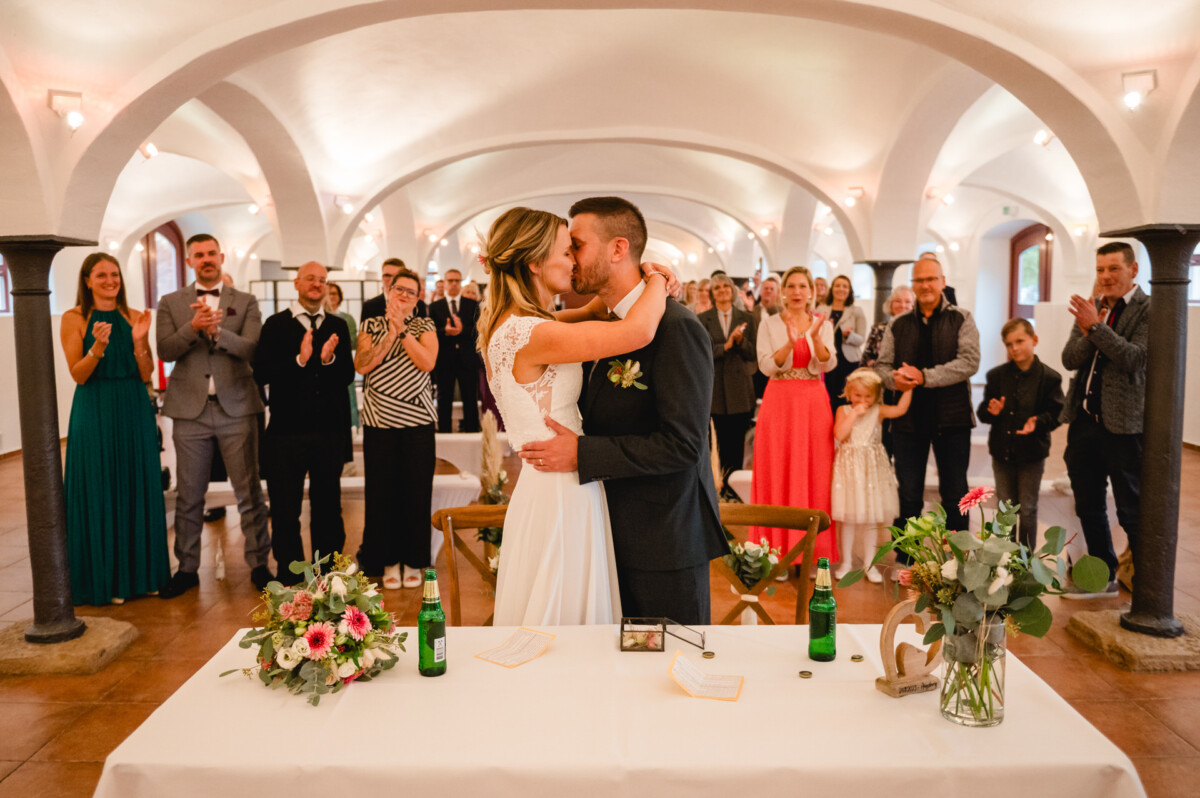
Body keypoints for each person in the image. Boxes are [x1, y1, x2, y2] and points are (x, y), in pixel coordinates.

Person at [520, 197, 728, 625]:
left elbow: (684, 445)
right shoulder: (604, 323)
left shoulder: (675, 327)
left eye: (576, 245)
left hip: (663, 539)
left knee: (670, 670)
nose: (569, 258)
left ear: (618, 249)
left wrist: (583, 454)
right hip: (605, 530)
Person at [478, 206, 671, 625]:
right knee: (563, 615)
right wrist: (658, 277)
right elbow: (637, 332)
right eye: (567, 252)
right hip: (560, 488)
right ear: (534, 262)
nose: (574, 262)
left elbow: (593, 314)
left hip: (551, 482)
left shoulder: (521, 324)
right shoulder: (532, 334)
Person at [157, 233, 272, 596]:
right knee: (190, 494)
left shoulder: (246, 301)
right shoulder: (171, 302)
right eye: (198, 255)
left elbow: (252, 348)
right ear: (190, 261)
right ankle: (187, 568)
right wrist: (193, 328)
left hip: (236, 406)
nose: (206, 259)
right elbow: (164, 349)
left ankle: (259, 564)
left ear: (221, 257)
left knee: (249, 491)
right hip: (189, 411)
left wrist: (217, 331)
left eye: (211, 253)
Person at [60, 253, 169, 605]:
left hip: (133, 406)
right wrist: (98, 347)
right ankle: (104, 581)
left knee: (136, 484)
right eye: (101, 275)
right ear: (87, 280)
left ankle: (142, 577)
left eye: (115, 274)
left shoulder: (135, 316)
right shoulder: (73, 318)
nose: (110, 280)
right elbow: (78, 374)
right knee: (99, 485)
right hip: (95, 408)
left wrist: (139, 342)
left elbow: (147, 372)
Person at [874, 257, 980, 566]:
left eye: (930, 279)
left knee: (955, 492)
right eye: (919, 281)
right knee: (909, 494)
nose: (925, 286)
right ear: (913, 284)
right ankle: (907, 559)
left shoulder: (962, 318)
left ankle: (957, 559)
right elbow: (881, 366)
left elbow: (969, 362)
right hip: (908, 420)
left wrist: (924, 376)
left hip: (953, 418)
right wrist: (892, 378)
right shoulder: (899, 323)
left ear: (942, 281)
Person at [256, 262, 355, 579]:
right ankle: (290, 576)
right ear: (296, 283)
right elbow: (261, 372)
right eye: (311, 279)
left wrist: (328, 360)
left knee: (328, 508)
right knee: (285, 510)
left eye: (323, 280)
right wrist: (300, 359)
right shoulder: (275, 325)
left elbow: (347, 376)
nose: (317, 284)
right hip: (285, 434)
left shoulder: (338, 325)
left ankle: (329, 577)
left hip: (329, 432)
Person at [1060, 242, 1147, 598]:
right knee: (1088, 502)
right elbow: (1069, 358)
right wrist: (1089, 327)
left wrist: (1095, 329)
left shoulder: (1149, 309)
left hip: (1123, 426)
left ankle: (1146, 582)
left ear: (1133, 270)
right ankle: (1102, 573)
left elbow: (1134, 359)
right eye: (1100, 270)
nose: (1105, 277)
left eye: (1113, 269)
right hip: (1085, 422)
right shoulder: (1092, 307)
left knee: (1130, 507)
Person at [355, 267, 439, 590]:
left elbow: (427, 363)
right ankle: (387, 559)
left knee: (416, 492)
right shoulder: (370, 324)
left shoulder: (424, 324)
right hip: (379, 421)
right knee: (381, 493)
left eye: (411, 291)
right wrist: (389, 333)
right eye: (398, 289)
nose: (404, 295)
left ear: (418, 298)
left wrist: (403, 331)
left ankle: (415, 559)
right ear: (388, 291)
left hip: (417, 421)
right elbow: (363, 364)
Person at [751, 265, 838, 568]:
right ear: (783, 291)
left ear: (811, 292)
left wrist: (814, 338)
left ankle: (813, 555)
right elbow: (764, 366)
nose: (797, 292)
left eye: (803, 286)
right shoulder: (769, 323)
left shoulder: (823, 324)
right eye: (792, 286)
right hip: (779, 401)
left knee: (815, 471)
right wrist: (789, 342)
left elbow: (828, 364)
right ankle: (777, 552)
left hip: (813, 402)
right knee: (778, 468)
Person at [977, 318, 1064, 552]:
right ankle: (1004, 557)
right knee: (1006, 509)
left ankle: (1024, 561)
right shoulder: (997, 376)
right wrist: (990, 411)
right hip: (1002, 452)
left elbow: (1058, 413)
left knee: (1027, 509)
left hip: (1032, 454)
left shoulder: (1050, 377)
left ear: (1034, 340)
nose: (1014, 348)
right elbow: (984, 412)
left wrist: (1038, 421)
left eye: (1019, 341)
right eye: (1008, 344)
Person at [830, 369, 912, 582]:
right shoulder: (843, 410)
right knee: (847, 519)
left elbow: (901, 410)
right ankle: (846, 562)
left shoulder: (879, 411)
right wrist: (854, 414)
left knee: (871, 519)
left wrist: (909, 388)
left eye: (868, 396)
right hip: (849, 471)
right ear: (849, 393)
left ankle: (869, 564)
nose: (863, 400)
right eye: (858, 395)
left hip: (871, 472)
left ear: (876, 396)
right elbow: (839, 434)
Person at [697, 273, 756, 500]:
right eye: (717, 288)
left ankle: (733, 490)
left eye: (725, 287)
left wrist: (740, 343)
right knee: (716, 442)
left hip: (740, 388)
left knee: (737, 443)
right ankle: (715, 486)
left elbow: (753, 354)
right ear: (712, 293)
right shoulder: (703, 319)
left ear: (732, 291)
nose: (722, 291)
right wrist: (726, 346)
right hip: (716, 390)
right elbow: (701, 352)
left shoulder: (746, 318)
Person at [429, 268, 482, 432]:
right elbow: (430, 333)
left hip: (467, 359)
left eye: (457, 281)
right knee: (444, 399)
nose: (453, 284)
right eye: (450, 280)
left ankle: (472, 432)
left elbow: (479, 331)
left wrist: (462, 330)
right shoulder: (435, 306)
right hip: (445, 359)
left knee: (470, 398)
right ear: (444, 283)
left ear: (461, 283)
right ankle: (444, 433)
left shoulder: (472, 305)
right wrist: (444, 331)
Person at [815, 274, 867, 412]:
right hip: (827, 359)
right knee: (828, 396)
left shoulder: (856, 311)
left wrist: (850, 336)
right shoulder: (821, 309)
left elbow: (862, 339)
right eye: (837, 285)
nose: (841, 289)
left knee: (847, 396)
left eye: (845, 286)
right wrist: (827, 329)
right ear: (832, 289)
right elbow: (813, 335)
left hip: (848, 361)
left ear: (850, 290)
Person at [326, 281, 360, 433]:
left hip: (342, 362)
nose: (331, 297)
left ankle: (351, 427)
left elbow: (353, 342)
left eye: (334, 293)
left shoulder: (347, 318)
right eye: (328, 293)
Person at [862, 286, 914, 367]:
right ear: (890, 305)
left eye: (907, 302)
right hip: (879, 376)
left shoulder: (919, 329)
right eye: (897, 301)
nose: (902, 305)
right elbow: (867, 357)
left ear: (913, 306)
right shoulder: (878, 328)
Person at [750, 274, 781, 399]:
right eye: (765, 288)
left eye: (771, 289)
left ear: (777, 293)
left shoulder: (783, 312)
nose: (768, 291)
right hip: (756, 362)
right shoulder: (753, 311)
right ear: (761, 291)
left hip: (777, 360)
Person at [361, 258, 405, 323]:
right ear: (382, 277)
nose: (392, 279)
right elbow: (364, 332)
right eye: (387, 275)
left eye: (396, 276)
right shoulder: (369, 306)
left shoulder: (418, 306)